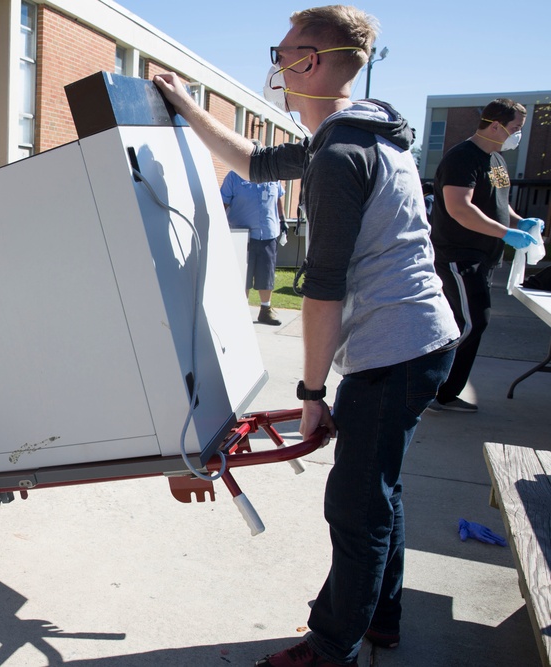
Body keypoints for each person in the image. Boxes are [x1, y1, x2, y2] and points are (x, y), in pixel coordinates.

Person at [154, 5, 459, 666]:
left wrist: (312, 390)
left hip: (398, 349)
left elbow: (324, 289)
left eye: (284, 51)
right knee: (379, 487)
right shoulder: (352, 133)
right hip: (416, 342)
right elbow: (252, 160)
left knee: (354, 506)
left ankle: (331, 645)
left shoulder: (342, 152)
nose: (277, 65)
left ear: (311, 62)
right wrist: (182, 105)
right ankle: (381, 616)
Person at [428, 99, 543, 413]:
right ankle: (435, 391)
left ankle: (443, 393)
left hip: (484, 257)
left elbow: (500, 202)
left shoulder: (497, 160)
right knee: (471, 323)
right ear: (496, 125)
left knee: (468, 322)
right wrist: (505, 234)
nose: (518, 134)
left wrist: (520, 223)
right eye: (516, 128)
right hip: (459, 255)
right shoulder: (462, 158)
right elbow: (460, 208)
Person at [220, 164, 287, 325]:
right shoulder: (234, 176)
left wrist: (283, 220)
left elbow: (278, 198)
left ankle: (266, 310)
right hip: (243, 235)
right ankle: (241, 311)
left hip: (268, 233)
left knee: (267, 273)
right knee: (243, 275)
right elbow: (223, 202)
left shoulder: (272, 175)